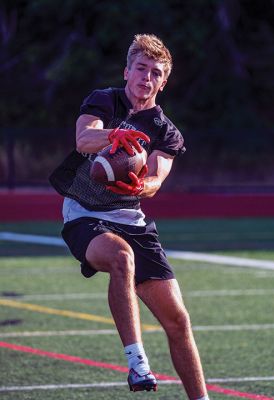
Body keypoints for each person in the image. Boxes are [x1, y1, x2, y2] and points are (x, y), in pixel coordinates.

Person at [49, 33, 210, 400]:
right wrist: (116, 135)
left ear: (163, 82)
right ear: (127, 71)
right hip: (84, 214)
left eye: (155, 73)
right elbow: (84, 140)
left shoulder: (165, 131)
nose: (146, 78)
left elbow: (156, 178)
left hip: (131, 217)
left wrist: (140, 187)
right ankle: (137, 363)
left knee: (178, 320)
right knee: (122, 258)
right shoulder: (104, 100)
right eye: (141, 68)